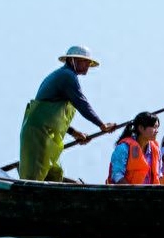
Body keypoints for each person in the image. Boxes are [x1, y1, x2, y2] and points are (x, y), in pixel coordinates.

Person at [19, 46, 115, 181]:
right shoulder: (67, 76)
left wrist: (74, 132)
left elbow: (52, 117)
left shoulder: (64, 75)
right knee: (35, 174)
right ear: (72, 60)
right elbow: (82, 104)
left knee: (52, 173)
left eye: (89, 63)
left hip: (45, 132)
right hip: (38, 133)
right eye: (85, 61)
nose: (88, 65)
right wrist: (101, 125)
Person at [107, 112, 161, 184]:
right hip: (125, 194)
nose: (157, 131)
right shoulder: (124, 148)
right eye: (154, 127)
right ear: (141, 128)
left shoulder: (156, 150)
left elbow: (159, 174)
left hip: (150, 194)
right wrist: (134, 194)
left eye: (157, 127)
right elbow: (117, 176)